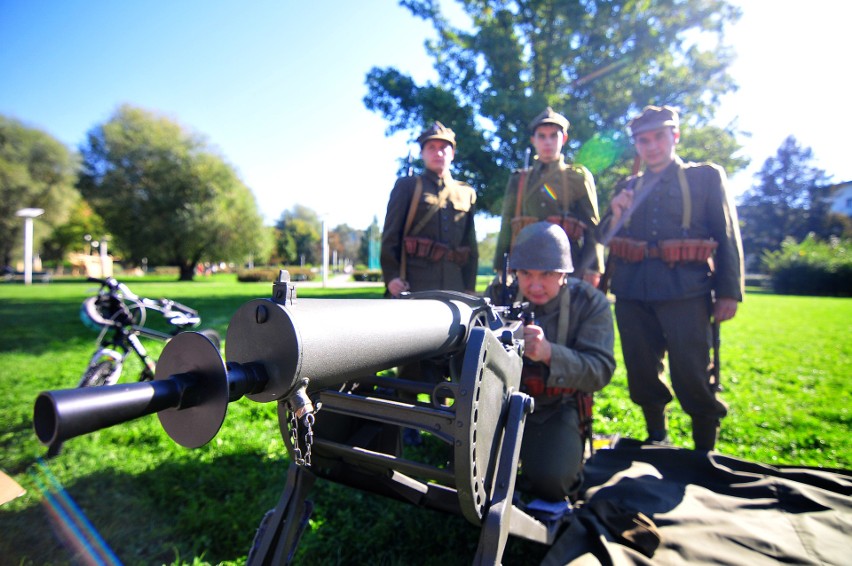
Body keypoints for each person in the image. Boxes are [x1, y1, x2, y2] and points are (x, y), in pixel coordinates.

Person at [602, 105, 744, 451]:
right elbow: (603, 238)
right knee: (641, 370)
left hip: (686, 290)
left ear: (674, 136)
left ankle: (704, 451)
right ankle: (657, 439)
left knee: (692, 372)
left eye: (659, 137)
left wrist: (728, 292)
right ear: (636, 145)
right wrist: (616, 211)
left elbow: (726, 235)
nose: (651, 146)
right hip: (633, 292)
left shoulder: (705, 177)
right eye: (643, 140)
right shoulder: (628, 186)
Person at [494, 221, 615, 504]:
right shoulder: (500, 295)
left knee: (553, 482)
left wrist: (549, 353)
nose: (535, 285)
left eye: (547, 273)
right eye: (525, 273)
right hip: (502, 402)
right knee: (474, 470)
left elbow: (600, 371)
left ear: (564, 272)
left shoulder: (590, 303)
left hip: (557, 407)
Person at [493, 107, 604, 286]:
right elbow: (507, 223)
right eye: (542, 136)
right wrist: (501, 267)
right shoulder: (519, 179)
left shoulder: (577, 177)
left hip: (566, 262)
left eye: (554, 136)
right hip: (526, 261)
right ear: (533, 140)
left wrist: (593, 267)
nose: (548, 142)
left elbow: (592, 227)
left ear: (564, 139)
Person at [381, 121, 478, 297]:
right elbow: (391, 236)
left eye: (444, 148)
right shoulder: (408, 186)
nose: (438, 152)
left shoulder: (466, 192)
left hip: (454, 284)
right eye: (431, 147)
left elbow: (470, 245)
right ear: (422, 153)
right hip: (415, 283)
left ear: (453, 154)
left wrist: (469, 286)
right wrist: (392, 277)